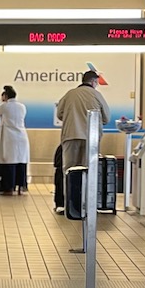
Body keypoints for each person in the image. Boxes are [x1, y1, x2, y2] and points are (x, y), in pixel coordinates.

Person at [54, 69, 111, 213]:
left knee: (69, 170)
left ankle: (68, 206)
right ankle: (87, 205)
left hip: (70, 136)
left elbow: (60, 114)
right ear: (93, 82)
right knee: (89, 170)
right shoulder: (97, 95)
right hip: (90, 139)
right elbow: (106, 118)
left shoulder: (69, 94)